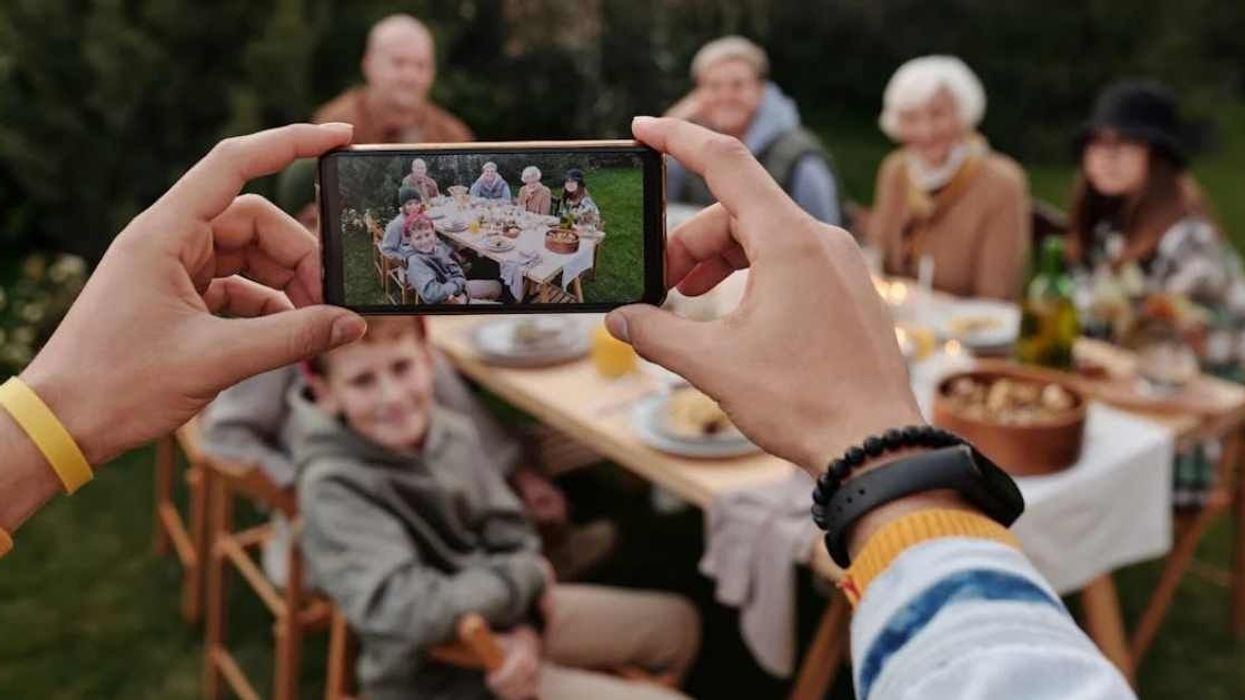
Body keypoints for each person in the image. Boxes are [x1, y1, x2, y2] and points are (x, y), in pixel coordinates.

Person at [0, 119, 1133, 700]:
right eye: (371, 374)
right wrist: (520, 591)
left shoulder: (444, 414)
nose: (399, 387)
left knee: (668, 617)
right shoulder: (343, 473)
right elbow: (404, 601)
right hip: (461, 659)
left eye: (407, 368)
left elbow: (487, 502)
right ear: (317, 370)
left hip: (506, 593)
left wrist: (47, 419)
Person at [202, 167, 614, 585]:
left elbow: (445, 391)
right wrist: (307, 489)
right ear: (309, 220)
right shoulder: (280, 318)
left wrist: (516, 473)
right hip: (359, 494)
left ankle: (533, 551)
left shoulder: (364, 294)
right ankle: (522, 582)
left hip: (413, 457)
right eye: (349, 216)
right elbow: (225, 436)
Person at [295, 316, 701, 700]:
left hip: (509, 617)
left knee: (678, 624)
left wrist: (525, 626)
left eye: (402, 368)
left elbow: (512, 531)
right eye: (363, 381)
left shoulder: (449, 433)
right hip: (443, 674)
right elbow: (406, 609)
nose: (393, 396)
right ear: (327, 393)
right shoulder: (333, 487)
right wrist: (519, 584)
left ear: (428, 358)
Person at [1067, 79, 1245, 508]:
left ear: (1159, 159)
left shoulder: (1191, 247)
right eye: (1097, 144)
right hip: (1125, 397)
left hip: (1189, 428)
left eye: (1125, 145)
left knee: (1060, 466)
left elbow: (1194, 360)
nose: (1105, 158)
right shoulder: (1113, 231)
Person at [866, 56, 1031, 300]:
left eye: (938, 115)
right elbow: (877, 258)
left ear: (963, 114)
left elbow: (996, 296)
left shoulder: (1002, 183)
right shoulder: (895, 170)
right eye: (911, 118)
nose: (926, 131)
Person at [664, 36, 842, 226]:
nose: (726, 96)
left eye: (737, 85)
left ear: (760, 90)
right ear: (697, 94)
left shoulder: (801, 161)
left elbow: (827, 236)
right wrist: (674, 122)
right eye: (714, 86)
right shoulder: (683, 156)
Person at [313, 14, 472, 144]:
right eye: (399, 63)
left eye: (421, 65)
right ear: (368, 64)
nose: (410, 76)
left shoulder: (452, 136)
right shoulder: (334, 126)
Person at [404, 213, 503, 304]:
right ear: (411, 241)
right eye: (418, 238)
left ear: (433, 232)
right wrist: (457, 287)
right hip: (447, 301)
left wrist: (458, 284)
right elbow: (432, 294)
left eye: (427, 234)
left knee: (496, 286)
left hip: (456, 288)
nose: (425, 241)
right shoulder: (416, 262)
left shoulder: (437, 249)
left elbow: (455, 268)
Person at [380, 186, 426, 260]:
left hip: (425, 255)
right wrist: (403, 259)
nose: (414, 207)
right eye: (409, 204)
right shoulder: (397, 224)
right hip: (410, 261)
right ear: (403, 206)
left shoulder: (421, 218)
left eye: (417, 203)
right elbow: (386, 249)